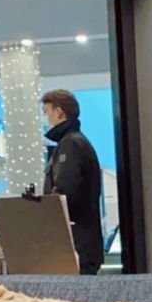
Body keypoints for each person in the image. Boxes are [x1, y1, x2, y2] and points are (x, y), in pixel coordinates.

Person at [41, 89, 104, 275]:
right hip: (83, 244)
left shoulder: (70, 144)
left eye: (46, 112)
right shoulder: (77, 142)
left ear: (59, 112)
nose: (46, 119)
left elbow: (64, 193)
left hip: (75, 246)